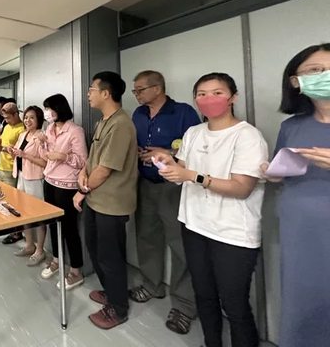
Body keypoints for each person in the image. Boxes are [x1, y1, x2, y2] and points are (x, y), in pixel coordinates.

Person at [154, 73, 268, 347]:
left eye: (217, 93)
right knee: (203, 294)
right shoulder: (194, 132)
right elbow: (182, 167)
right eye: (202, 94)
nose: (209, 99)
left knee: (234, 304)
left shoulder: (248, 136)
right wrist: (168, 162)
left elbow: (242, 188)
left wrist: (193, 176)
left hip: (233, 234)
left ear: (233, 97)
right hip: (194, 224)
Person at [262, 43, 330, 347]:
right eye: (316, 70)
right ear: (295, 81)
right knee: (302, 305)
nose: (325, 75)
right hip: (300, 234)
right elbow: (284, 169)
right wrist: (273, 172)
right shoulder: (291, 126)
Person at [130, 70, 200, 334]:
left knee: (180, 244)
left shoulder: (183, 113)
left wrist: (166, 152)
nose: (136, 95)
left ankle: (184, 305)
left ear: (158, 88)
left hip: (174, 187)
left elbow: (196, 149)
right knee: (146, 237)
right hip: (145, 184)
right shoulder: (138, 115)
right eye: (135, 90)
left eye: (140, 89)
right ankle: (152, 285)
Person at [73, 72, 138, 329]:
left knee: (110, 256)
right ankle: (111, 292)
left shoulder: (121, 124)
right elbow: (93, 160)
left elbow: (106, 168)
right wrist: (82, 173)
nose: (88, 93)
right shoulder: (103, 121)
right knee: (96, 249)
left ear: (106, 93)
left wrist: (83, 189)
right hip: (96, 199)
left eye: (92, 89)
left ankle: (118, 307)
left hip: (112, 203)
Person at [37, 93, 87, 290]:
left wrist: (63, 156)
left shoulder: (75, 131)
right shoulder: (49, 128)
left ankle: (76, 270)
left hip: (67, 185)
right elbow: (46, 156)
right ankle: (57, 260)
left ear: (59, 109)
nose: (47, 113)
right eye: (46, 109)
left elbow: (83, 161)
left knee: (69, 228)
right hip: (49, 181)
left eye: (49, 109)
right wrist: (42, 142)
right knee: (52, 224)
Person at [9, 106, 47, 265]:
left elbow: (44, 162)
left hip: (34, 179)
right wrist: (11, 151)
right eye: (26, 117)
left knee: (38, 215)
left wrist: (25, 155)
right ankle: (29, 245)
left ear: (39, 119)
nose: (27, 120)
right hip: (21, 177)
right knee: (24, 213)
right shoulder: (23, 134)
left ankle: (40, 250)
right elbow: (18, 154)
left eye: (32, 117)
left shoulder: (41, 137)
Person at [0, 102, 25, 244]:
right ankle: (7, 225)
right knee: (2, 198)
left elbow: (19, 151)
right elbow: (2, 142)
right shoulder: (6, 127)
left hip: (13, 169)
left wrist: (2, 148)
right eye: (4, 118)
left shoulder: (22, 129)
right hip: (2, 166)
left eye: (8, 117)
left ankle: (16, 231)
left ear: (16, 114)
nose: (6, 120)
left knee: (13, 201)